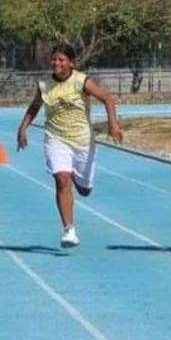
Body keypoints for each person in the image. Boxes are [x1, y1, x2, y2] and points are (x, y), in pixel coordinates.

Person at [16, 43, 123, 247]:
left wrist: (113, 124)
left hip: (82, 141)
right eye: (54, 59)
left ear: (71, 63)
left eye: (61, 60)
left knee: (84, 190)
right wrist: (23, 128)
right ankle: (69, 229)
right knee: (61, 180)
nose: (56, 63)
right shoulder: (44, 85)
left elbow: (107, 99)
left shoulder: (82, 81)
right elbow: (34, 107)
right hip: (56, 139)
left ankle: (75, 173)